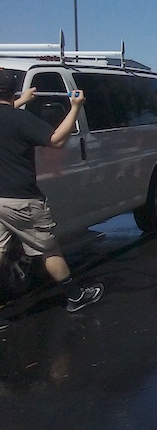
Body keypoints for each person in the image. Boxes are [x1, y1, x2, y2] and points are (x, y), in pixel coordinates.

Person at [0, 71, 103, 331]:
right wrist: (75, 108)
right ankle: (75, 296)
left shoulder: (15, 115)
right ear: (11, 93)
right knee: (48, 249)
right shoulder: (21, 120)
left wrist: (20, 102)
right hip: (22, 201)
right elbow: (56, 140)